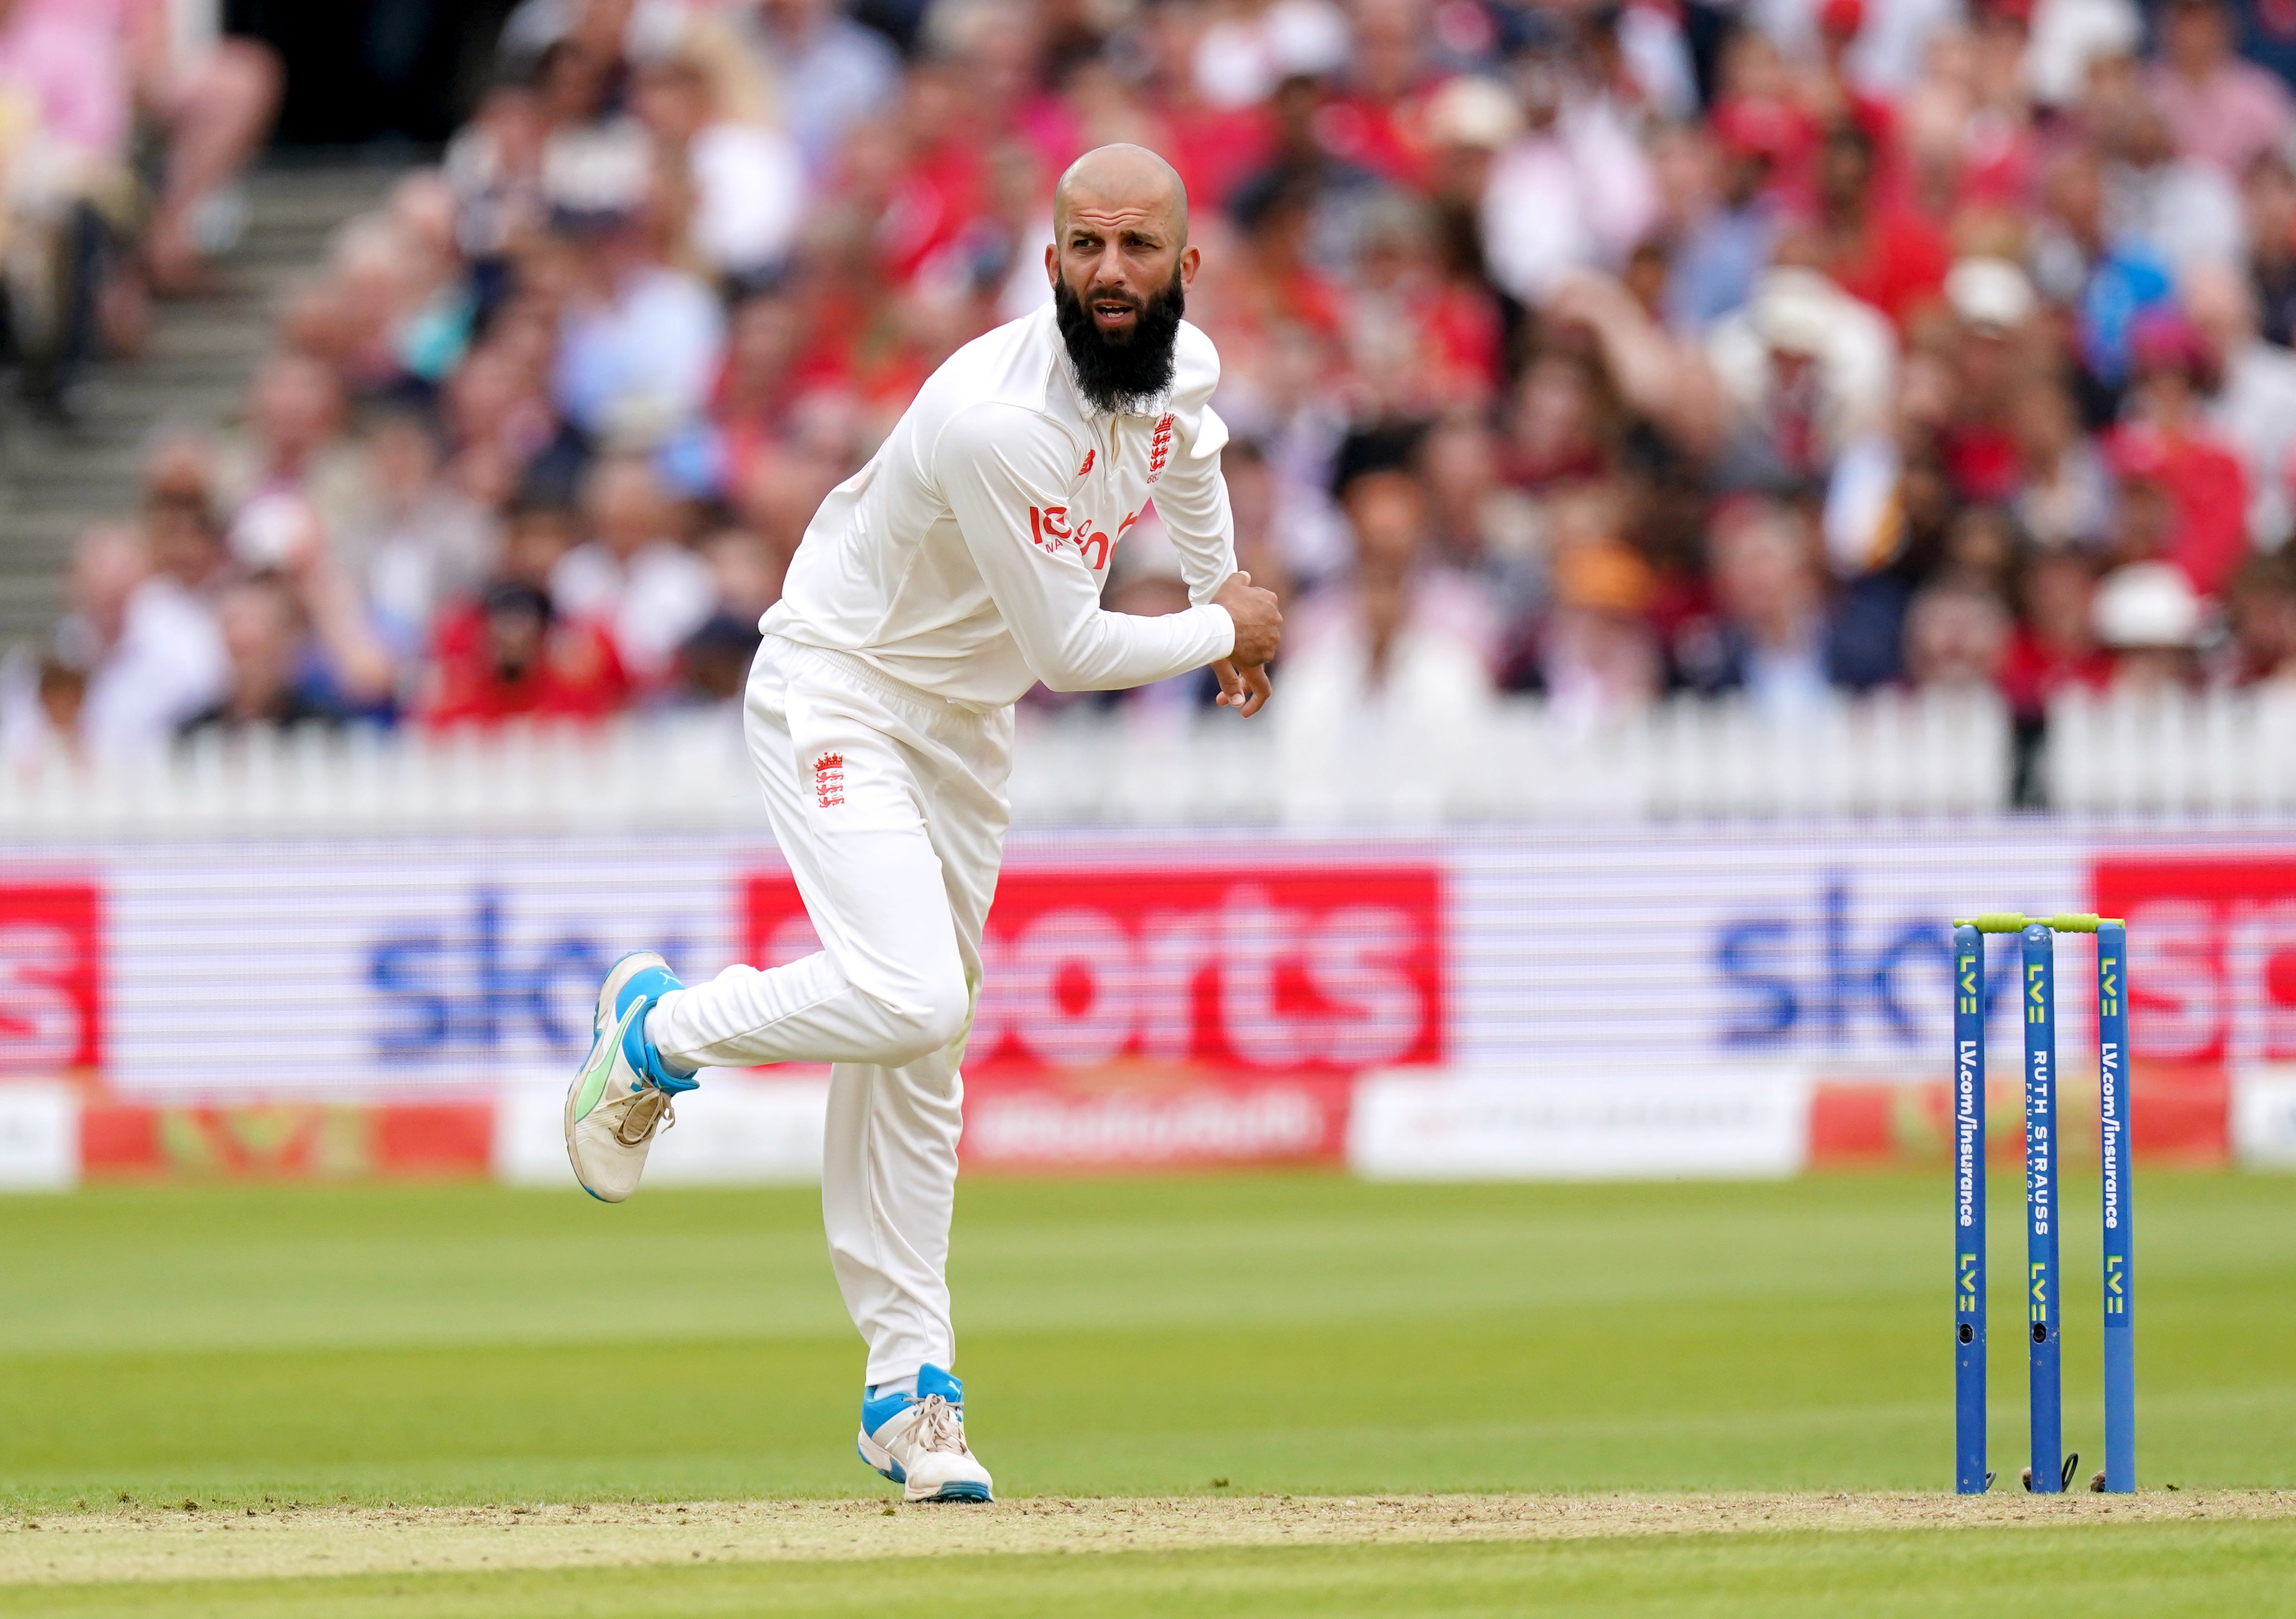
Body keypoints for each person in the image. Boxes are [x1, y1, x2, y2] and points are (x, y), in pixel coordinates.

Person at [560, 144, 1282, 1502]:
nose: (1112, 273)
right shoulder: (995, 419)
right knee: (905, 994)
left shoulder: (1178, 369)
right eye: (1087, 247)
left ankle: (910, 1392)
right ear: (1051, 259)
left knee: (925, 1041)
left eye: (1140, 250)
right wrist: (1219, 630)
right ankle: (654, 1036)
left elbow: (1189, 460)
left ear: (1186, 269)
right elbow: (1069, 648)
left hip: (961, 727)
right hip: (843, 691)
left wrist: (1220, 586)